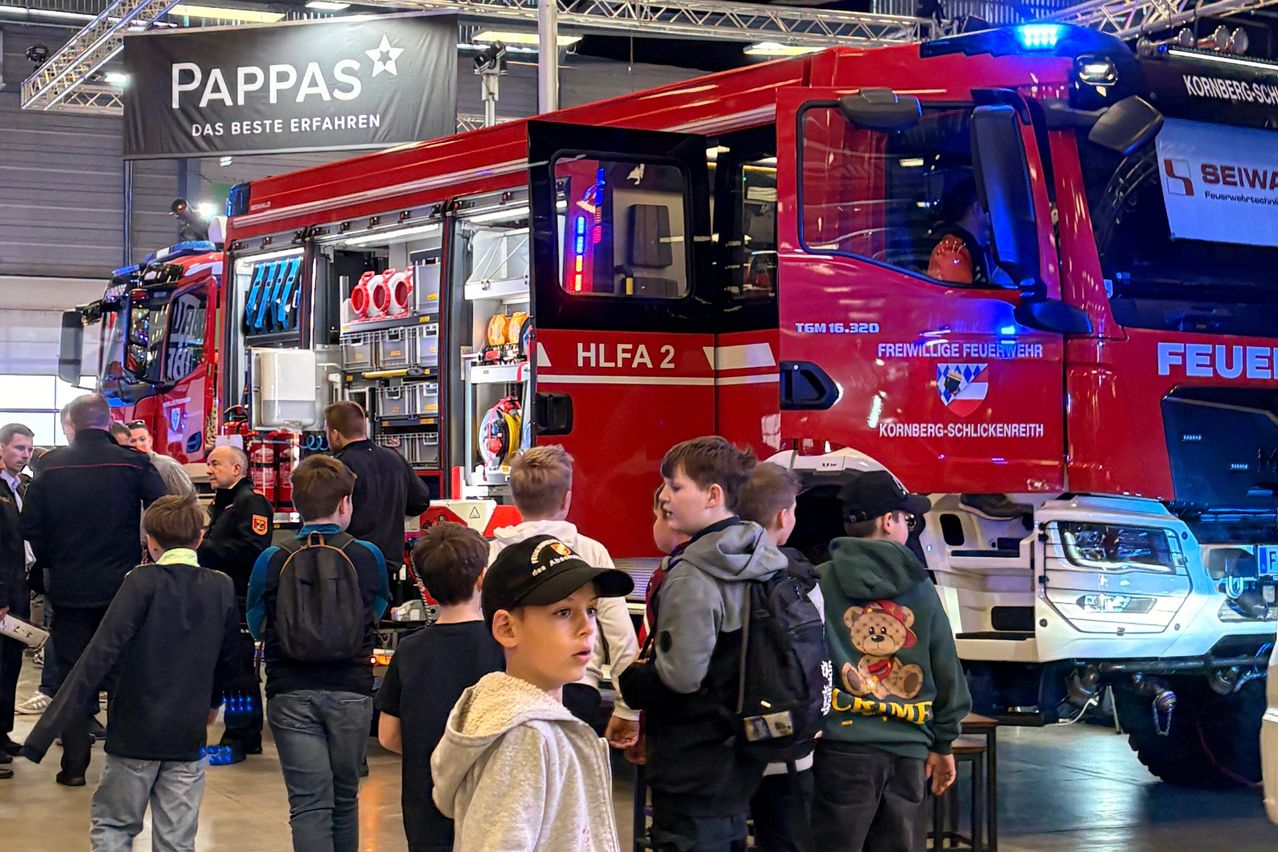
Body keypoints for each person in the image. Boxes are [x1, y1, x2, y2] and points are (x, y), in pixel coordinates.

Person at [22, 494, 240, 851]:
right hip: (187, 734)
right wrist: (214, 702)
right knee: (177, 839)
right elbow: (229, 657)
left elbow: (99, 654)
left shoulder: (139, 582)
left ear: (150, 542)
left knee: (114, 826)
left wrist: (43, 734)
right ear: (200, 538)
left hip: (134, 734)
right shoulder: (221, 585)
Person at [619, 436, 787, 852]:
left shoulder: (692, 573)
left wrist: (632, 682)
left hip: (691, 762)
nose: (664, 497)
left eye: (675, 487)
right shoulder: (759, 555)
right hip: (741, 753)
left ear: (713, 495)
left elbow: (681, 677)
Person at [431, 534, 633, 851]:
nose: (588, 627)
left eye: (591, 609)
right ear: (507, 628)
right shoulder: (525, 738)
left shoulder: (539, 726)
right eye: (564, 612)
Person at [810, 470, 972, 852]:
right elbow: (946, 670)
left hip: (840, 749)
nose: (907, 528)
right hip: (908, 751)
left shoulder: (819, 582)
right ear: (888, 521)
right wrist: (943, 742)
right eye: (907, 519)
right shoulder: (920, 587)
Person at [20, 393, 167, 785]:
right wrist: (146, 553)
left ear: (70, 425)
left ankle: (74, 767)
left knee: (73, 675)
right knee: (122, 674)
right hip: (122, 588)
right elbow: (166, 509)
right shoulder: (133, 462)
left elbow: (29, 527)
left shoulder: (49, 467)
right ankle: (123, 762)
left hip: (68, 588)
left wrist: (53, 561)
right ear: (108, 421)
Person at [246, 455, 389, 852]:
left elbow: (257, 622)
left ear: (296, 504)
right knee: (345, 798)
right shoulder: (367, 555)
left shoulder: (272, 558)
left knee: (309, 804)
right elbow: (376, 610)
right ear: (345, 503)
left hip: (290, 691)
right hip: (351, 691)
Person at [489, 445, 640, 745]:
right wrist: (628, 709)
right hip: (579, 689)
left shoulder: (493, 554)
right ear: (567, 498)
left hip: (510, 690)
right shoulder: (591, 552)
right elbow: (621, 638)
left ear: (515, 499)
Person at [376, 522, 504, 852]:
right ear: (483, 579)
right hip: (490, 799)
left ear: (425, 584)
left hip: (426, 802)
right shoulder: (503, 647)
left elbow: (388, 735)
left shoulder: (409, 650)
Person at [737, 462, 824, 852]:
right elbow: (819, 658)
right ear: (783, 517)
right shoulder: (801, 580)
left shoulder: (716, 568)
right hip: (789, 746)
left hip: (729, 745)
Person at [198, 445, 273, 763]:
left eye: (216, 464)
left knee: (239, 672)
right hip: (221, 598)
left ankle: (240, 736)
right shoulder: (224, 505)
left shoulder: (250, 503)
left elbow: (254, 549)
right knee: (228, 669)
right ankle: (245, 734)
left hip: (240, 598)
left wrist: (206, 548)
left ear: (237, 469)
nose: (209, 470)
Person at [325, 401, 431, 575]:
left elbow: (327, 518)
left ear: (335, 434)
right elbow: (420, 502)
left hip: (351, 569)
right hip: (389, 569)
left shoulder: (339, 467)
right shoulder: (395, 458)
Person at [0, 423, 34, 777]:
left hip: (18, 587)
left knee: (11, 665)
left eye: (28, 449)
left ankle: (3, 732)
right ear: (1, 448)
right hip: (3, 591)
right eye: (18, 448)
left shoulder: (19, 486)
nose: (25, 455)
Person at [927, 175, 994, 286]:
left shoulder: (981, 247)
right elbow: (959, 296)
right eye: (991, 205)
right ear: (977, 208)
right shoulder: (951, 251)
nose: (995, 210)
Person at [124, 420, 195, 498]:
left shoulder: (169, 467)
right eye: (133, 441)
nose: (138, 444)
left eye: (142, 439)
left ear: (150, 441)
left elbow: (188, 499)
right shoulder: (126, 469)